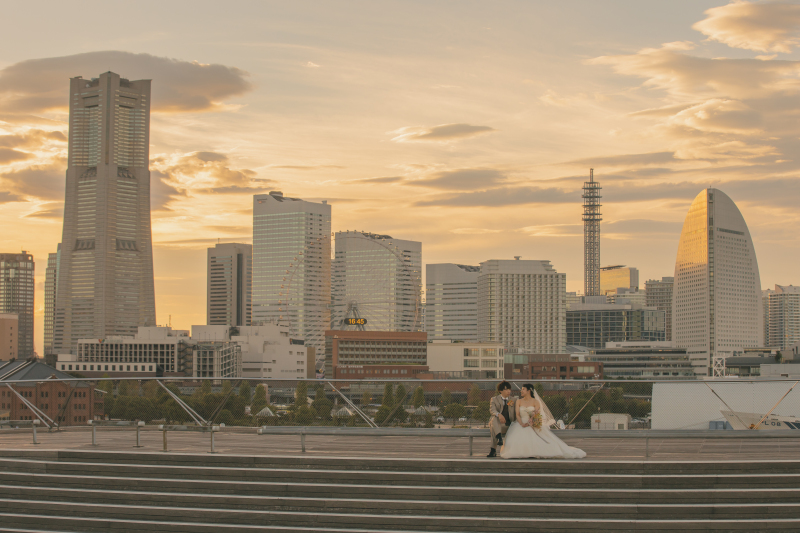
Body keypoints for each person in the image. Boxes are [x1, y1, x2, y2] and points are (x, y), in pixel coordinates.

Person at [500, 383, 586, 459]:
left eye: (523, 389)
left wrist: (532, 421)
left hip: (532, 423)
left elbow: (537, 414)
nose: (521, 391)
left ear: (529, 390)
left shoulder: (536, 402)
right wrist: (521, 423)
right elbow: (517, 414)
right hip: (521, 423)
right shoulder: (519, 401)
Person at [487, 381, 516, 457]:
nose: (508, 391)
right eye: (506, 389)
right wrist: (499, 414)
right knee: (494, 418)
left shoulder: (514, 399)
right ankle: (499, 437)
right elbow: (492, 410)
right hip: (498, 423)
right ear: (500, 391)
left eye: (509, 389)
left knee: (493, 427)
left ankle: (493, 450)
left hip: (508, 425)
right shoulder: (494, 399)